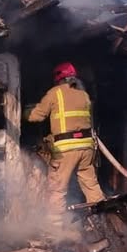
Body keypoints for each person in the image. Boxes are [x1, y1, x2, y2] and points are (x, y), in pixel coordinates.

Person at [25, 62, 104, 236]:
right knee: (91, 185)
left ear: (58, 78)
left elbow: (36, 116)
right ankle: (103, 220)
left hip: (65, 150)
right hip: (87, 148)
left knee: (57, 188)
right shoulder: (84, 95)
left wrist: (24, 110)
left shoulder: (55, 93)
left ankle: (54, 228)